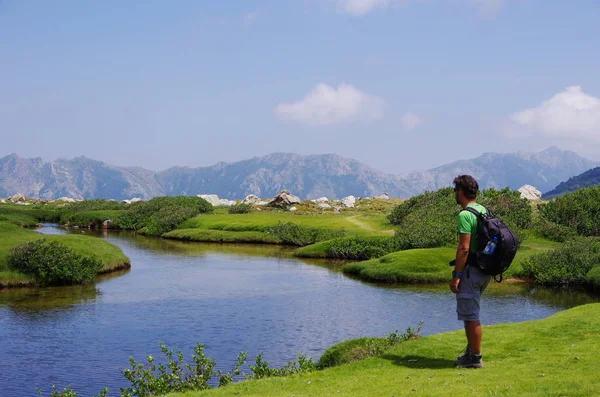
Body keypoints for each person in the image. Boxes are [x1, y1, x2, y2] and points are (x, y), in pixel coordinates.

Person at [449, 175, 491, 368]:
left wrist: (456, 276)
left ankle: (475, 358)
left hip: (471, 271)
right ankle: (471, 353)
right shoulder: (483, 210)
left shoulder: (465, 215)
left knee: (471, 315)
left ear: (460, 191)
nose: (454, 194)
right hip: (485, 270)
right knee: (471, 313)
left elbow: (464, 248)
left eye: (455, 190)